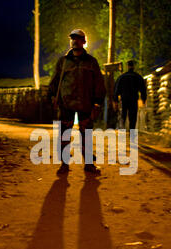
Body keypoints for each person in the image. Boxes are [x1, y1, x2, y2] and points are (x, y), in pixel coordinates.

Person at [48, 29, 106, 175]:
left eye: (78, 38)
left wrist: (97, 102)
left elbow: (99, 83)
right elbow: (54, 81)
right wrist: (52, 96)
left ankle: (88, 165)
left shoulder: (92, 62)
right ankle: (64, 165)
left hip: (86, 104)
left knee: (86, 135)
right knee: (64, 135)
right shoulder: (63, 61)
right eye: (72, 38)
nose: (74, 41)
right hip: (66, 103)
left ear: (84, 42)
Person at [113, 60, 147, 130]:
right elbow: (143, 89)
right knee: (133, 117)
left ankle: (122, 131)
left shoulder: (122, 77)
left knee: (123, 116)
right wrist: (143, 99)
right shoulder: (138, 77)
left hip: (124, 99)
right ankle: (132, 133)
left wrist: (115, 100)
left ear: (127, 66)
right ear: (133, 66)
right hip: (133, 99)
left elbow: (116, 89)